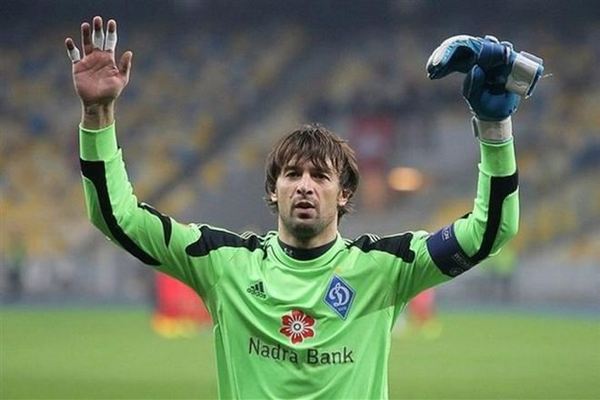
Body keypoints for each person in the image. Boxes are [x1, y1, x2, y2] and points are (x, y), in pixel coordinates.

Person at [65, 18, 543, 399]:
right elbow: (117, 217)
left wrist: (494, 128)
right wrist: (97, 115)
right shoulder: (223, 264)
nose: (305, 187)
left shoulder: (385, 269)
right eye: (292, 174)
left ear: (344, 194)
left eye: (320, 176)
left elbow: (491, 231)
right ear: (273, 191)